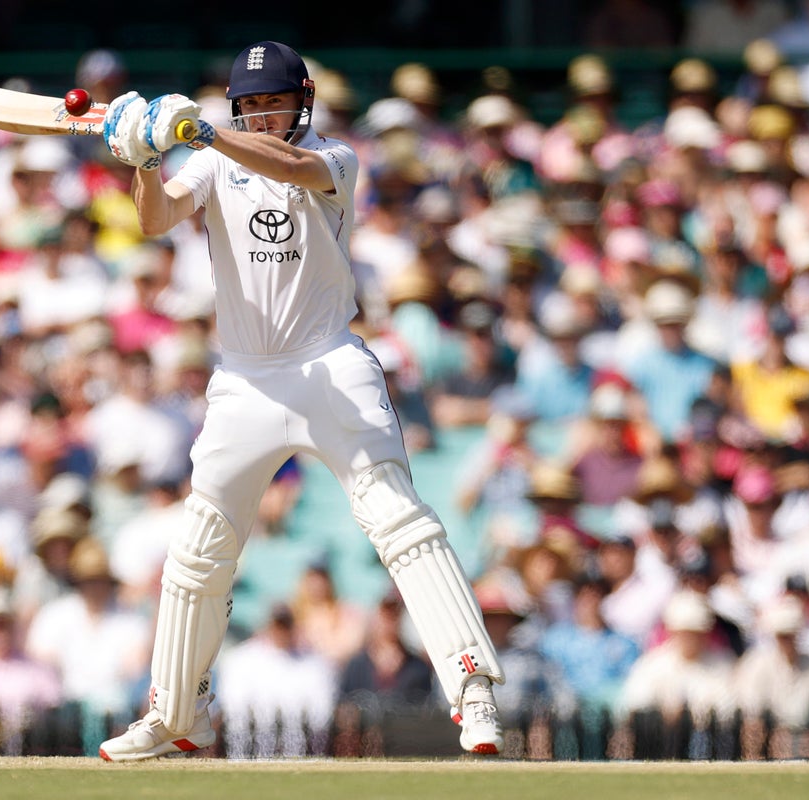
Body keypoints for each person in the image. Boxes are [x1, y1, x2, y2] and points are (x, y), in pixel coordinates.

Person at [95, 41, 504, 761]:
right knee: (197, 550)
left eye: (272, 104)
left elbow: (287, 166)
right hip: (246, 378)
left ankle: (472, 693)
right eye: (248, 106)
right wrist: (146, 159)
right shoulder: (215, 157)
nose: (260, 117)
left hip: (329, 364)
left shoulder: (336, 157)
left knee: (400, 523)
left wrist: (199, 131)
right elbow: (155, 221)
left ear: (303, 100)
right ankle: (176, 713)